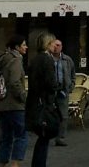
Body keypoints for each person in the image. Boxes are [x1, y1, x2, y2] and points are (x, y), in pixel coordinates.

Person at [27, 33, 61, 167]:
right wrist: (57, 86)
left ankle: (37, 163)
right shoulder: (47, 60)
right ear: (48, 44)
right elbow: (51, 83)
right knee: (45, 136)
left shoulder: (35, 60)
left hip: (35, 101)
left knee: (43, 137)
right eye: (53, 43)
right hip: (44, 103)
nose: (55, 45)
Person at [0, 34, 28, 167]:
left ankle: (2, 163)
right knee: (21, 135)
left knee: (6, 137)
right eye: (24, 45)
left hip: (1, 104)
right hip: (14, 104)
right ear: (17, 47)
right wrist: (23, 96)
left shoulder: (3, 59)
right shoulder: (15, 60)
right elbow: (14, 82)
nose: (26, 47)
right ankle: (15, 164)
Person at [50, 38, 75, 146]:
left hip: (63, 90)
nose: (56, 47)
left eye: (58, 45)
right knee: (49, 114)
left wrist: (71, 86)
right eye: (55, 45)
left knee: (64, 115)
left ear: (62, 47)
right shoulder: (48, 59)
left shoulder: (67, 60)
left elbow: (73, 73)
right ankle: (47, 135)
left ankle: (61, 138)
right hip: (51, 90)